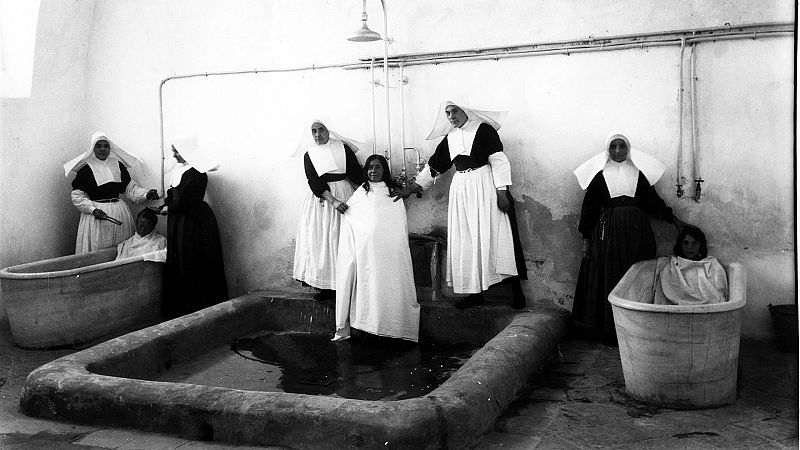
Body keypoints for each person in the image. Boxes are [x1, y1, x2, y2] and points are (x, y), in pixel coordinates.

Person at [393, 101, 527, 310]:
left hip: (485, 186)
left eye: (455, 111)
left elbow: (499, 161)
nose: (451, 116)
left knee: (496, 236)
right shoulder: (451, 138)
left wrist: (501, 192)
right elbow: (434, 166)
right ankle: (476, 294)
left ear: (466, 110)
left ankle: (516, 292)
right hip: (462, 189)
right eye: (447, 113)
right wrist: (411, 188)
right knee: (468, 238)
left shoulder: (484, 130)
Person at [572, 131, 688, 345]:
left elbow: (653, 203)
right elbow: (588, 209)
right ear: (608, 149)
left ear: (628, 149)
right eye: (613, 147)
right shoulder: (598, 176)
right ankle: (611, 332)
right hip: (609, 233)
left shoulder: (638, 174)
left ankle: (635, 329)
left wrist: (675, 222)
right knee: (611, 276)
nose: (618, 151)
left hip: (636, 232)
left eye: (622, 146)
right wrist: (586, 240)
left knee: (636, 275)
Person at [332, 154, 421, 343]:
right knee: (369, 286)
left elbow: (398, 225)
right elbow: (353, 215)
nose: (373, 171)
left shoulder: (392, 193)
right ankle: (369, 327)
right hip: (367, 253)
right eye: (370, 167)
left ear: (384, 170)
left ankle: (394, 328)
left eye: (378, 167)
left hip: (389, 252)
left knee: (390, 284)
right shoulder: (361, 193)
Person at [292, 120, 365, 301]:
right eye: (314, 131)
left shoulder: (342, 148)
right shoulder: (309, 154)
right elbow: (313, 181)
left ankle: (346, 284)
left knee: (342, 239)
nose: (318, 135)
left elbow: (356, 174)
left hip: (345, 194)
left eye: (321, 130)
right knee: (324, 239)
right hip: (323, 200)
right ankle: (326, 286)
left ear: (328, 130)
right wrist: (332, 201)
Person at [159, 135, 228, 318]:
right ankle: (182, 307)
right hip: (179, 221)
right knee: (180, 259)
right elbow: (172, 195)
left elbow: (186, 200)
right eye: (173, 152)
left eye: (177, 152)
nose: (174, 156)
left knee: (191, 259)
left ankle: (197, 305)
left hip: (193, 222)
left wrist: (170, 207)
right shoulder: (180, 171)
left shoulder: (197, 172)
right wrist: (166, 205)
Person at [64, 132, 159, 253]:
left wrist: (146, 194)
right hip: (97, 214)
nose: (102, 149)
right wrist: (92, 210)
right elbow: (77, 195)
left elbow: (129, 188)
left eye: (106, 146)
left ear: (110, 148)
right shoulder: (86, 169)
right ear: (93, 148)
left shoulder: (118, 165)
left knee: (121, 247)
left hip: (119, 212)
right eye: (99, 146)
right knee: (98, 247)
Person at [653, 226, 728, 305]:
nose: (689, 247)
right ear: (680, 244)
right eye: (686, 243)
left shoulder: (711, 265)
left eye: (694, 243)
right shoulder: (673, 267)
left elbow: (718, 295)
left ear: (700, 245)